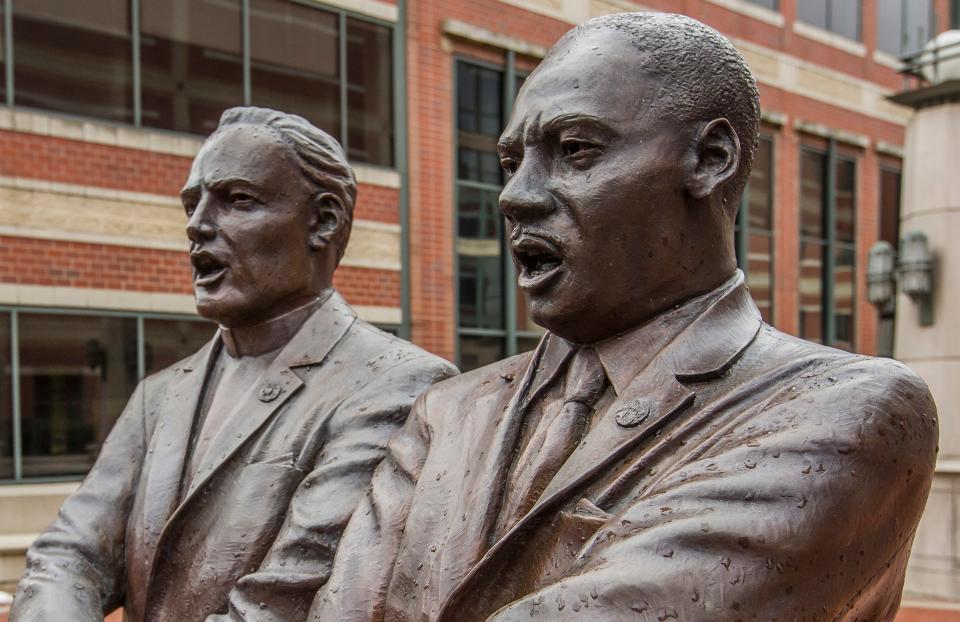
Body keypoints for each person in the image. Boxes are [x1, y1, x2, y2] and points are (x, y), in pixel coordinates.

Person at [310, 13, 938, 622]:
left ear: (710, 158)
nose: (515, 196)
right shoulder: (448, 411)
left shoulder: (845, 409)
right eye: (510, 163)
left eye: (575, 149)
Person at [10, 107, 457, 622]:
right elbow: (71, 555)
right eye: (192, 204)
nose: (198, 225)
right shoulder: (160, 395)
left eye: (238, 200)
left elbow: (290, 600)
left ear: (324, 221)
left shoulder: (398, 385)